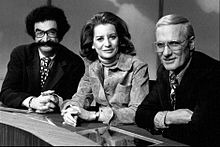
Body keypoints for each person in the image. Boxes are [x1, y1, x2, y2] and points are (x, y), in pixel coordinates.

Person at [135, 14, 220, 146]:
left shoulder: (213, 73)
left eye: (174, 44)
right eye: (160, 45)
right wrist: (170, 117)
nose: (166, 53)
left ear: (191, 43)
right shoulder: (163, 71)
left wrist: (159, 124)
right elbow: (141, 115)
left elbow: (200, 132)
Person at [61, 12, 149, 127]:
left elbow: (138, 112)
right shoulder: (92, 67)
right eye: (100, 39)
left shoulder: (138, 67)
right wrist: (71, 110)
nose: (107, 44)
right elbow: (80, 96)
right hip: (102, 132)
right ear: (92, 43)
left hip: (132, 131)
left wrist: (94, 115)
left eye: (112, 37)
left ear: (120, 40)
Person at [0, 5, 85, 113]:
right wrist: (32, 102)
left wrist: (55, 101)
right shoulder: (20, 54)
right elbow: (6, 92)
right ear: (33, 34)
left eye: (51, 33)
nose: (45, 39)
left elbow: (73, 100)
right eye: (40, 33)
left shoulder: (74, 63)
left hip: (54, 121)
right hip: (22, 117)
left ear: (60, 34)